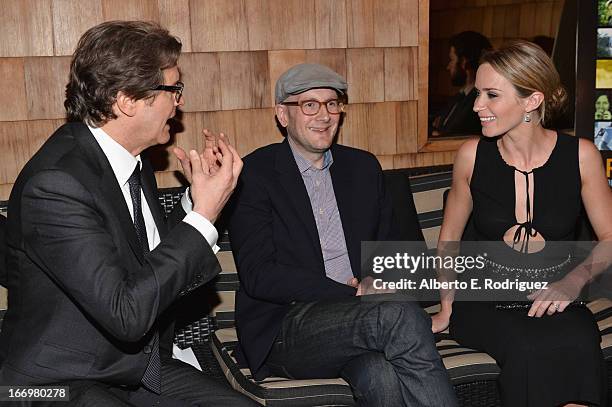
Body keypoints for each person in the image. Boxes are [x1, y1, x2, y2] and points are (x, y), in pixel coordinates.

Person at [0, 21, 256, 406]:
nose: (179, 102)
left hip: (127, 369)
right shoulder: (57, 184)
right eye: (173, 89)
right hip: (53, 381)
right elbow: (126, 314)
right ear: (128, 100)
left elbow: (145, 263)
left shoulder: (130, 160)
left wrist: (191, 204)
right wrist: (203, 215)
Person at [228, 63, 457, 407]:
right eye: (309, 105)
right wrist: (351, 292)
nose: (324, 115)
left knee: (381, 374)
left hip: (362, 324)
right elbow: (260, 276)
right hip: (288, 325)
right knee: (398, 314)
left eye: (332, 104)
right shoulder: (255, 175)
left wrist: (377, 278)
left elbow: (391, 249)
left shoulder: (363, 168)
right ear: (282, 115)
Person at [431, 41, 612, 406]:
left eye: (491, 95)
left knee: (579, 338)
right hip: (482, 299)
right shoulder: (471, 155)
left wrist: (571, 282)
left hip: (553, 294)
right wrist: (447, 305)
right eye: (478, 93)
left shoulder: (581, 156)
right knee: (529, 345)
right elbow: (449, 237)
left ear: (531, 102)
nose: (477, 105)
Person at [431, 31, 492, 136]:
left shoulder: (478, 102)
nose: (448, 66)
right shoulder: (460, 96)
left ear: (463, 62)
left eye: (452, 60)